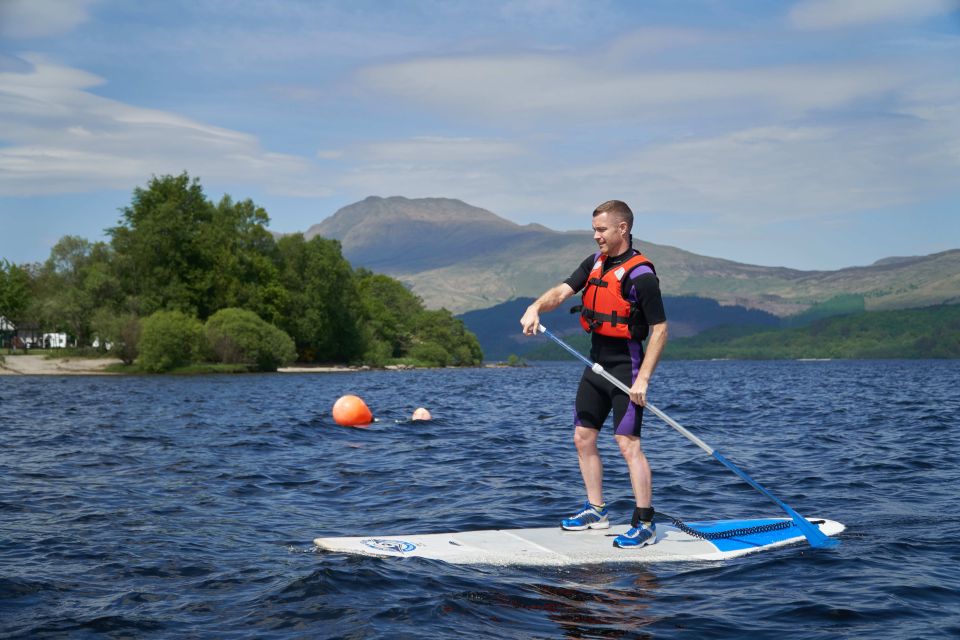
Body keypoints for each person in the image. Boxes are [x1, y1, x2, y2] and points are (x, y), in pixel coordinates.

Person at [520, 200, 668, 548]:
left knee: (627, 444)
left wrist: (643, 379)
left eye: (601, 230)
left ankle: (645, 522)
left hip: (626, 366)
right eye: (594, 230)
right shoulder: (595, 264)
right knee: (583, 437)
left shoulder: (641, 276)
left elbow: (660, 330)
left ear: (622, 229)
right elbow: (561, 292)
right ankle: (596, 510)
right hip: (595, 365)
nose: (596, 236)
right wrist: (535, 306)